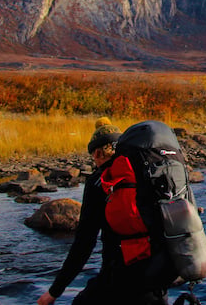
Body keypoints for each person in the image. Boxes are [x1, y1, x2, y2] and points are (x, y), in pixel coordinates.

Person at [37, 117, 175, 305]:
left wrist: (54, 291)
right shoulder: (147, 173)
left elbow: (84, 244)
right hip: (158, 277)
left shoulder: (99, 182)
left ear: (98, 153)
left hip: (118, 280)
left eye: (93, 155)